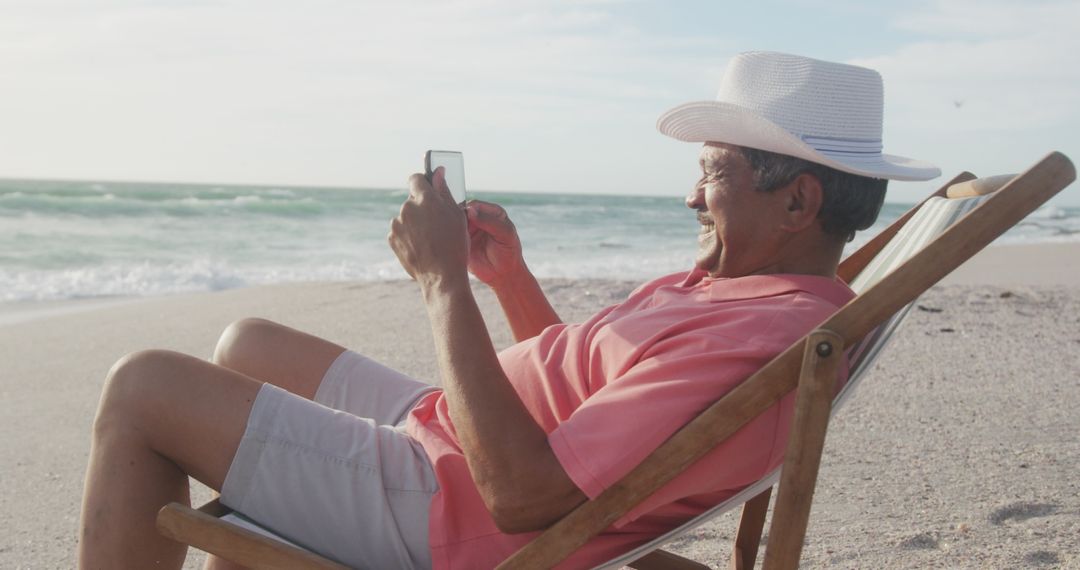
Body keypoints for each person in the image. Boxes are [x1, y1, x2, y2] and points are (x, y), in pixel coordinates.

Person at [77, 51, 940, 570]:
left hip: (454, 512)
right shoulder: (748, 291)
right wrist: (507, 279)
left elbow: (528, 496)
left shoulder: (756, 337)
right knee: (247, 340)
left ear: (798, 204)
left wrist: (442, 281)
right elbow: (599, 409)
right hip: (453, 439)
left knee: (143, 387)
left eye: (712, 172)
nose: (690, 196)